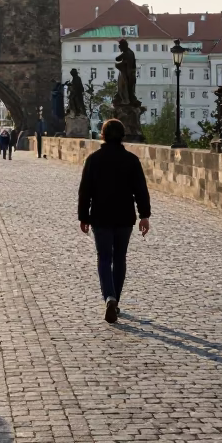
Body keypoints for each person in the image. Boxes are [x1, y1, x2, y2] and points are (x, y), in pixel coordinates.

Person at [78, 119, 151, 324]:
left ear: (102, 135)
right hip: (124, 216)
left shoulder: (94, 159)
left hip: (100, 216)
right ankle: (115, 300)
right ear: (122, 136)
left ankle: (109, 297)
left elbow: (85, 192)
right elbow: (140, 191)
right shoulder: (131, 160)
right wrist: (144, 215)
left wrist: (83, 217)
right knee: (119, 258)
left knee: (104, 258)